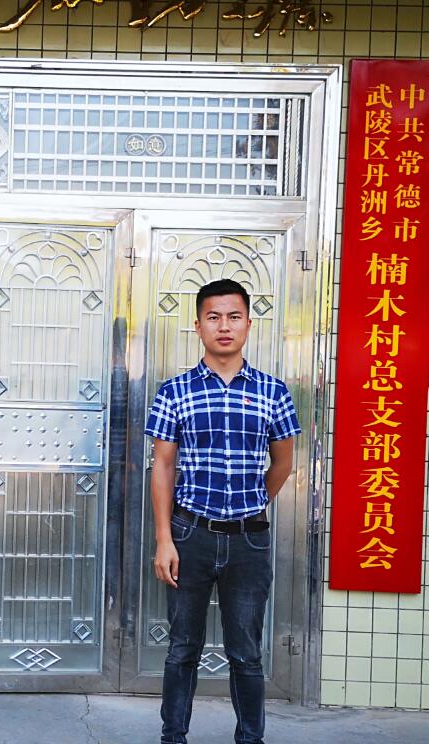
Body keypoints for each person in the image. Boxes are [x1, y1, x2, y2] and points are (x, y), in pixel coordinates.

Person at [144, 278, 301, 744]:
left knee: (246, 653)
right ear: (198, 326)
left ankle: (250, 739)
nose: (224, 326)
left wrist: (252, 504)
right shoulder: (175, 391)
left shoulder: (273, 392)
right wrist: (164, 539)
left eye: (234, 316)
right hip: (189, 535)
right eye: (213, 317)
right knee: (182, 649)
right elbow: (163, 466)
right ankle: (173, 737)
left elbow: (283, 462)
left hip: (249, 540)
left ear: (249, 324)